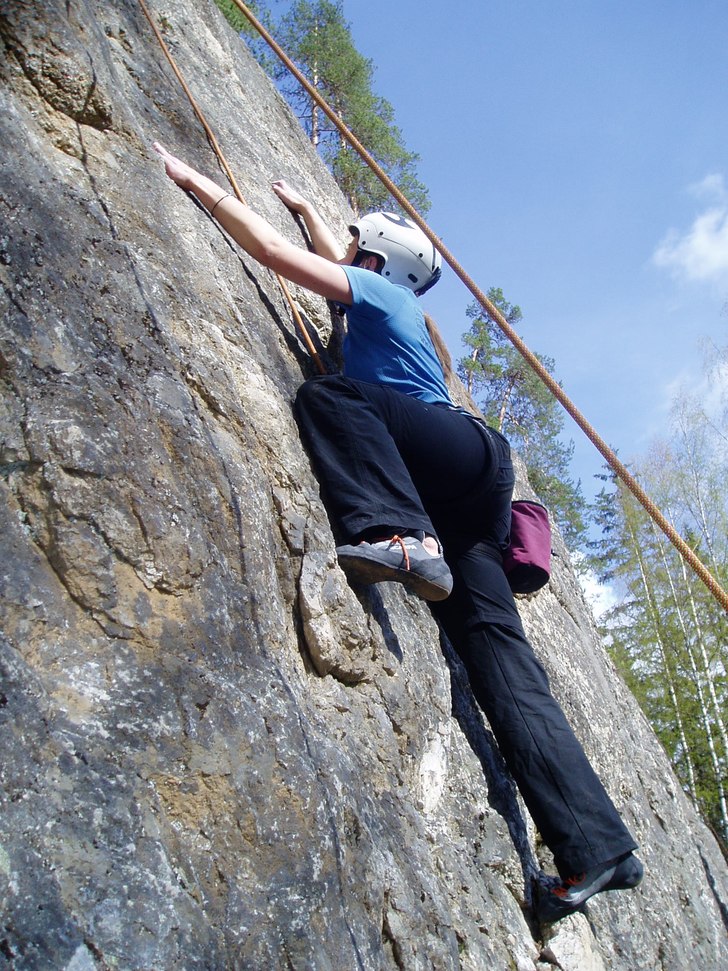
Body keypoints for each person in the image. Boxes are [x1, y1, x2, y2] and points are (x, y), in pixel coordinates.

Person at [153, 142, 644, 923]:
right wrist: (313, 211)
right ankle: (597, 847)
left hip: (448, 471)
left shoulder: (382, 298)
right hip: (468, 495)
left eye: (354, 248)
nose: (341, 254)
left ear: (375, 260)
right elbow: (323, 251)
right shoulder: (390, 305)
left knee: (329, 399)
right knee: (501, 668)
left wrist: (191, 180)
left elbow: (278, 256)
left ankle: (401, 538)